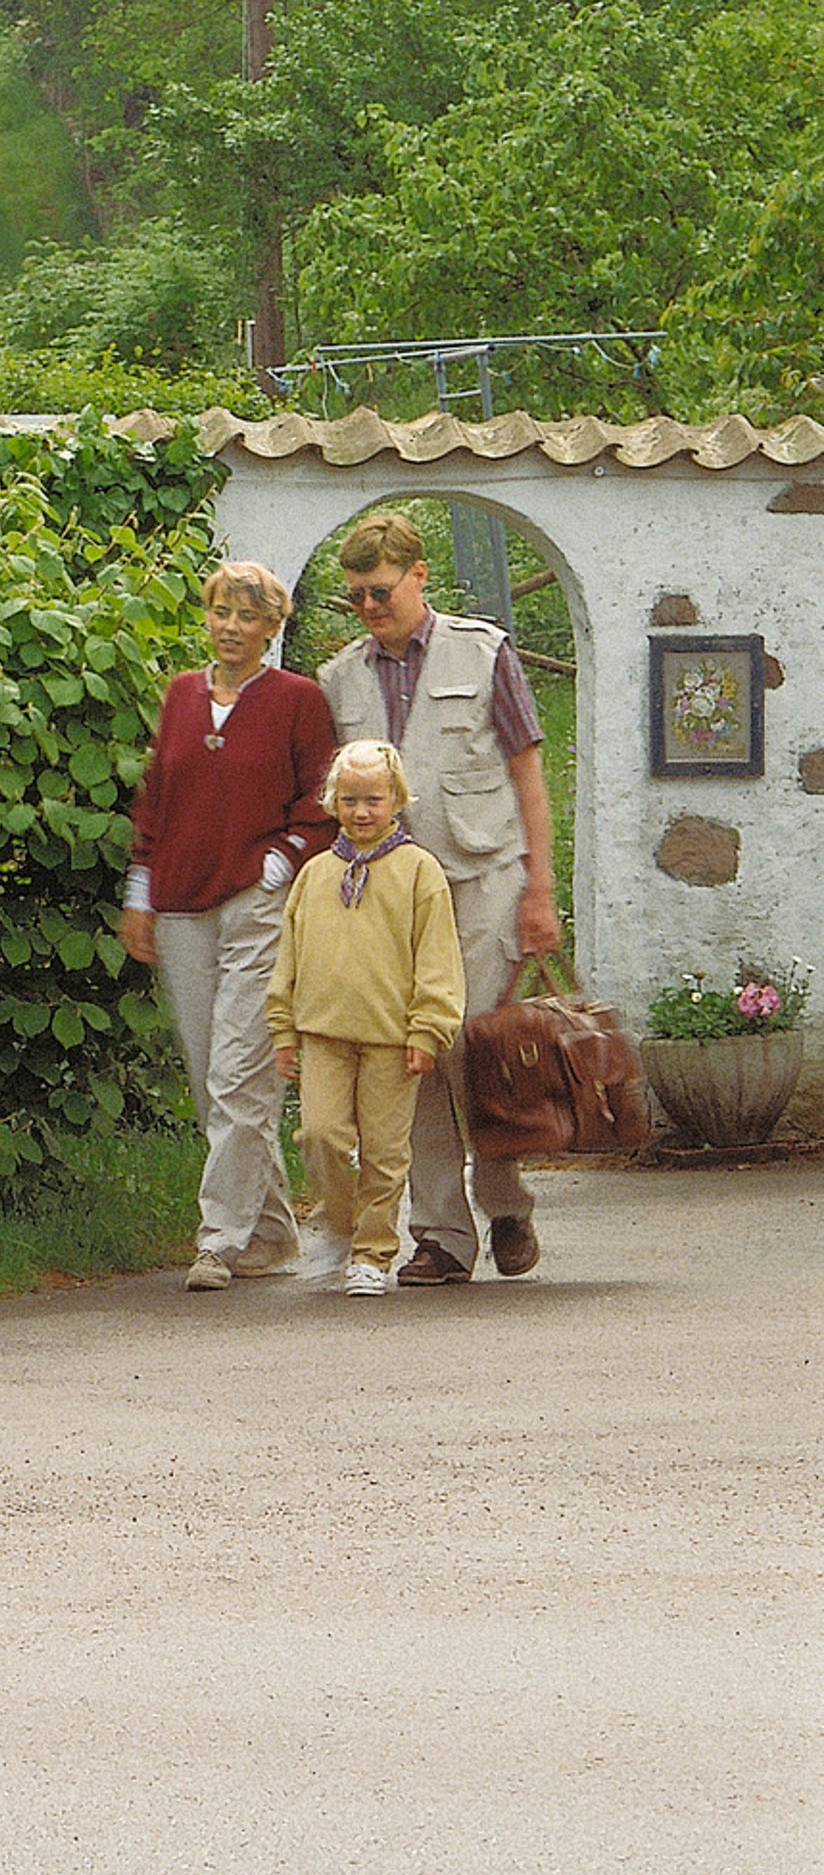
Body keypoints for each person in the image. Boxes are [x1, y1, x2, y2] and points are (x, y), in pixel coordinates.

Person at [315, 512, 563, 1285]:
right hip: (388, 895)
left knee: (467, 1044)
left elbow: (527, 771)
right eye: (355, 596)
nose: (368, 607)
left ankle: (504, 1198)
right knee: (407, 1056)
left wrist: (541, 891)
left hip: (482, 877)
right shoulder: (339, 678)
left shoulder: (485, 653)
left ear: (418, 574)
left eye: (380, 590)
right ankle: (442, 1236)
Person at [121, 559, 335, 1291]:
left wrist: (278, 863)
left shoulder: (299, 701)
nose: (231, 629)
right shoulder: (181, 695)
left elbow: (321, 798)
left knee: (241, 1074)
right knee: (210, 1078)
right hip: (181, 902)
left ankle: (220, 1237)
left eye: (248, 617)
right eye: (221, 614)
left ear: (274, 628)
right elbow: (156, 796)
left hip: (255, 903)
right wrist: (139, 892)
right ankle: (273, 1231)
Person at [263, 743, 466, 1295]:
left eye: (373, 800)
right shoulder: (314, 876)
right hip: (323, 1031)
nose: (361, 812)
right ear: (332, 802)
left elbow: (438, 960)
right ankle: (342, 1224)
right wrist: (283, 1027)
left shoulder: (420, 872)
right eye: (349, 800)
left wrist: (428, 1028)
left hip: (392, 1038)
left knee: (384, 1151)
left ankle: (372, 1252)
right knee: (320, 1134)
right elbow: (290, 956)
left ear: (396, 799)